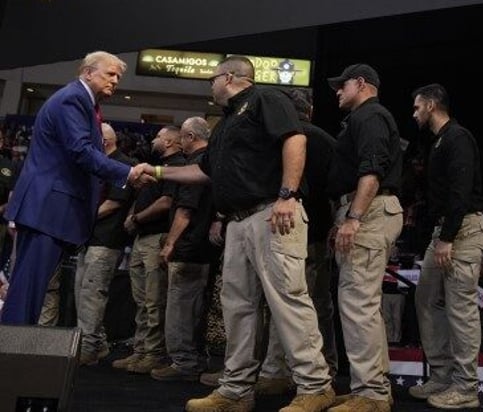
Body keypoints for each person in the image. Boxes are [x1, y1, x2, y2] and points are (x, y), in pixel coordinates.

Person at [141, 56, 334, 412]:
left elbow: (295, 140)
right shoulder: (225, 122)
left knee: (288, 301)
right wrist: (156, 170)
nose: (209, 85)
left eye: (211, 79)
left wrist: (287, 195)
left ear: (229, 76)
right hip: (239, 220)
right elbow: (204, 172)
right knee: (238, 307)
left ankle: (315, 385)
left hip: (272, 214)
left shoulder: (267, 99)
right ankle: (236, 391)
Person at [0, 51, 146, 325]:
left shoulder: (83, 103)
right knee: (27, 293)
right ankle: (10, 359)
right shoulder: (73, 99)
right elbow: (80, 151)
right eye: (110, 73)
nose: (115, 81)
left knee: (31, 292)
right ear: (88, 72)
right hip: (48, 209)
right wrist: (127, 172)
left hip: (51, 210)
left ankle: (13, 354)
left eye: (118, 76)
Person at [407, 83, 483, 409]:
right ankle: (442, 375)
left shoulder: (457, 137)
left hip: (463, 229)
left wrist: (447, 238)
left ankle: (466, 387)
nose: (414, 113)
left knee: (460, 309)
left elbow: (460, 191)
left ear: (431, 104)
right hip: (446, 229)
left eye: (417, 107)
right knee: (426, 299)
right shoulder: (437, 142)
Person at [325, 64, 404, 412]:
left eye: (342, 85)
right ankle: (374, 388)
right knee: (363, 305)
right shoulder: (365, 116)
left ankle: (370, 393)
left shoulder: (370, 115)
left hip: (369, 210)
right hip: (366, 209)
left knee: (358, 304)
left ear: (361, 84)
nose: (337, 91)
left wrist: (354, 217)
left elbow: (372, 168)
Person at [257, 88, 339, 390]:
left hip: (281, 229)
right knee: (318, 304)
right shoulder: (329, 142)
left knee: (280, 303)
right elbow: (339, 190)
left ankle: (277, 370)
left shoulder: (273, 138)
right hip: (317, 230)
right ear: (311, 110)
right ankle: (326, 366)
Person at [151, 117, 218, 382]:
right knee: (195, 307)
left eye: (183, 137)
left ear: (190, 137)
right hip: (203, 249)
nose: (180, 142)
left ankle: (184, 362)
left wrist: (170, 244)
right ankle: (195, 359)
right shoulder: (210, 162)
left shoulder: (196, 165)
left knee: (181, 307)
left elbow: (185, 210)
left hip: (189, 247)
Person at [113, 125, 183, 375]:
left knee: (154, 301)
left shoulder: (177, 167)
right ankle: (141, 349)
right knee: (141, 300)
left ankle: (154, 353)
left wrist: (137, 218)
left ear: (170, 142)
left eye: (159, 137)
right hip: (142, 237)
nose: (154, 140)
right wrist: (135, 217)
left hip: (157, 236)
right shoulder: (155, 164)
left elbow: (167, 202)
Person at [75, 122, 138, 365]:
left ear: (104, 141)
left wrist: (84, 218)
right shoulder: (99, 164)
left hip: (106, 239)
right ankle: (98, 343)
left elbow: (114, 202)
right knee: (83, 293)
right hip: (91, 238)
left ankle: (89, 348)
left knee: (92, 294)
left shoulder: (122, 163)